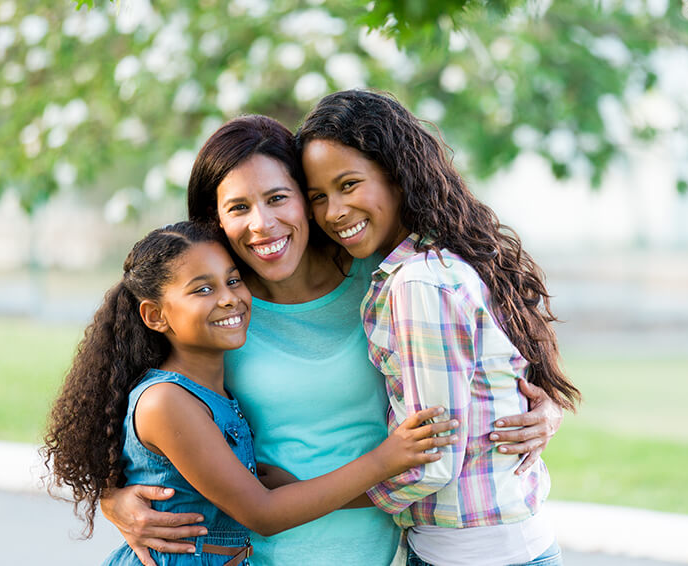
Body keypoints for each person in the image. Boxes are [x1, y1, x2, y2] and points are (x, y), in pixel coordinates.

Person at [100, 116, 566, 566]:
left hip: (394, 550)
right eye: (239, 207)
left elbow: (490, 345)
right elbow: (132, 407)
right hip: (270, 553)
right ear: (214, 220)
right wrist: (111, 495)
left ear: (305, 199)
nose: (262, 224)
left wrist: (543, 406)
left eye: (278, 197)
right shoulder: (218, 312)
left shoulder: (381, 275)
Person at [42, 221, 459, 566]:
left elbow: (264, 497)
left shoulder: (213, 391)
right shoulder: (167, 402)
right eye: (202, 289)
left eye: (233, 280)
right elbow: (261, 513)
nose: (229, 299)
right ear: (155, 315)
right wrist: (385, 460)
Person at [296, 89, 582, 566]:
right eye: (319, 197)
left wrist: (310, 499)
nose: (333, 212)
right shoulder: (444, 260)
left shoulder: (418, 282)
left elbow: (432, 461)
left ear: (396, 175)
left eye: (348, 185)